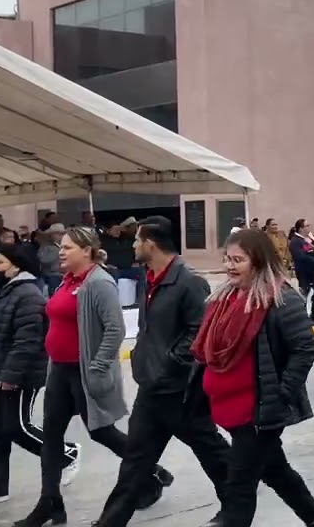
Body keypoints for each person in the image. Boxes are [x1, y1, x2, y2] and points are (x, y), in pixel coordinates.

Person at [16, 228, 174, 526]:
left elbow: (115, 329)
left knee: (101, 432)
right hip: (59, 370)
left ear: (86, 250)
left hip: (84, 372)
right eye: (60, 247)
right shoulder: (67, 280)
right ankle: (50, 502)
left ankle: (151, 471)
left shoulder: (99, 283)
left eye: (67, 247)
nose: (60, 252)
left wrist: (98, 366)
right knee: (50, 437)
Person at [191, 228, 314, 527]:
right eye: (227, 258)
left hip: (258, 412)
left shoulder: (280, 298)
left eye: (238, 260)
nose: (230, 265)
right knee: (275, 471)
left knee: (238, 488)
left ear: (258, 261)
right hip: (228, 407)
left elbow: (304, 347)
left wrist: (283, 392)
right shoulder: (225, 299)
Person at [94, 216, 230, 527]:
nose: (132, 245)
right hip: (152, 388)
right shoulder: (151, 277)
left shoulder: (189, 282)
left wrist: (168, 362)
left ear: (150, 244)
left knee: (211, 451)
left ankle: (237, 501)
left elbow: (200, 332)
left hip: (181, 390)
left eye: (136, 240)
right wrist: (148, 362)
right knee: (135, 462)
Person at [0, 244, 82, 511]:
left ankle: (67, 453)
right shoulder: (0, 292)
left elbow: (27, 341)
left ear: (16, 264)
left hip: (18, 375)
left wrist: (11, 375)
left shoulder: (27, 295)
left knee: (16, 427)